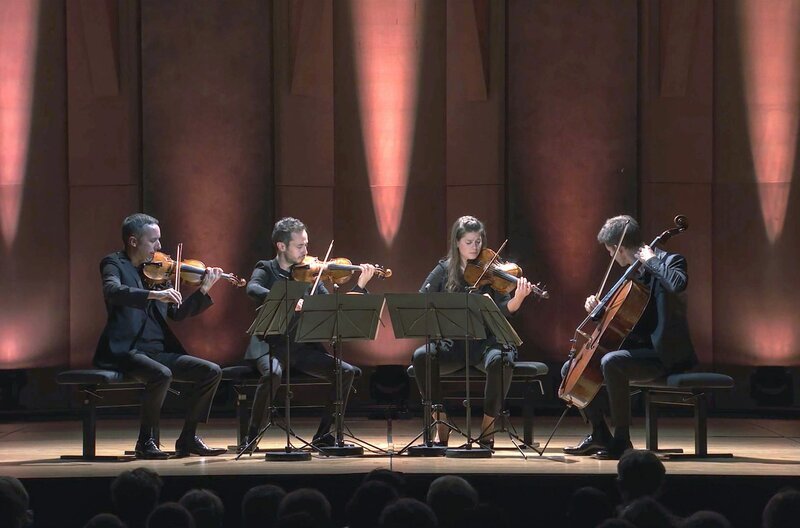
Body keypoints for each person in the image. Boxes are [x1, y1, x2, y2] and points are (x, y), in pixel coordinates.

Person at [563, 215, 697, 459]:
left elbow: (678, 284)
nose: (612, 258)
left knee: (611, 362)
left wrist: (653, 260)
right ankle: (600, 433)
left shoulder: (670, 261)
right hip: (635, 354)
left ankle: (622, 440)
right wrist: (598, 308)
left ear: (620, 248)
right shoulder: (632, 275)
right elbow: (623, 319)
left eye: (611, 252)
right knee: (570, 368)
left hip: (662, 355)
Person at [93, 213, 226, 459]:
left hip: (158, 351)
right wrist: (154, 295)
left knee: (211, 371)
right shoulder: (114, 263)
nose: (159, 247)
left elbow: (176, 313)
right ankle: (145, 442)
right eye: (153, 241)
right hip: (127, 350)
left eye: (159, 240)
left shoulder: (157, 272)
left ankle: (187, 438)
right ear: (133, 241)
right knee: (161, 375)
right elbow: (112, 291)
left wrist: (204, 289)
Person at [241, 217, 376, 449]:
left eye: (306, 244)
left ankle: (323, 435)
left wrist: (360, 286)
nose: (306, 251)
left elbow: (332, 308)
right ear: (281, 246)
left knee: (344, 372)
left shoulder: (310, 275)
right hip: (269, 345)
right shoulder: (266, 268)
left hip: (301, 349)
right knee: (273, 373)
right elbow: (252, 288)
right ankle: (251, 437)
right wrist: (287, 300)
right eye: (300, 246)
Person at [411, 216, 536, 447]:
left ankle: (487, 429)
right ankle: (441, 424)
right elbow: (422, 299)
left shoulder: (492, 270)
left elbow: (502, 310)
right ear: (456, 243)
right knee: (421, 356)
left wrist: (518, 299)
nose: (475, 247)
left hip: (486, 343)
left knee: (501, 360)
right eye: (469, 242)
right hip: (453, 344)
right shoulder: (444, 269)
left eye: (478, 241)